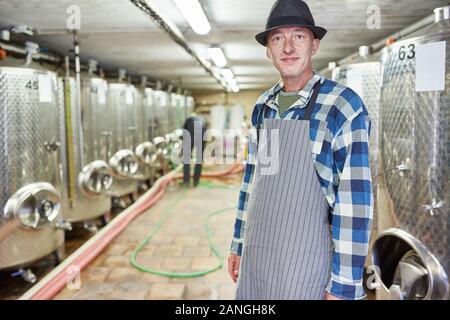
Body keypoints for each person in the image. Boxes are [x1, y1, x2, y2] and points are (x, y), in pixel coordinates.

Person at [228, 0, 373, 300]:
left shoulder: (342, 106)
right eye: (278, 38)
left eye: (299, 36)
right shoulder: (262, 106)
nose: (288, 47)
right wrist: (238, 244)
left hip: (307, 262)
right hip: (259, 254)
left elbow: (354, 202)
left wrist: (344, 284)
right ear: (268, 50)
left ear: (315, 45)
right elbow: (252, 182)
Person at [182, 114, 207, 187]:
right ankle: (196, 182)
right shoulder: (202, 119)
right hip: (201, 135)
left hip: (191, 134)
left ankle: (186, 182)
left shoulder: (188, 119)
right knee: (199, 160)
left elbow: (184, 132)